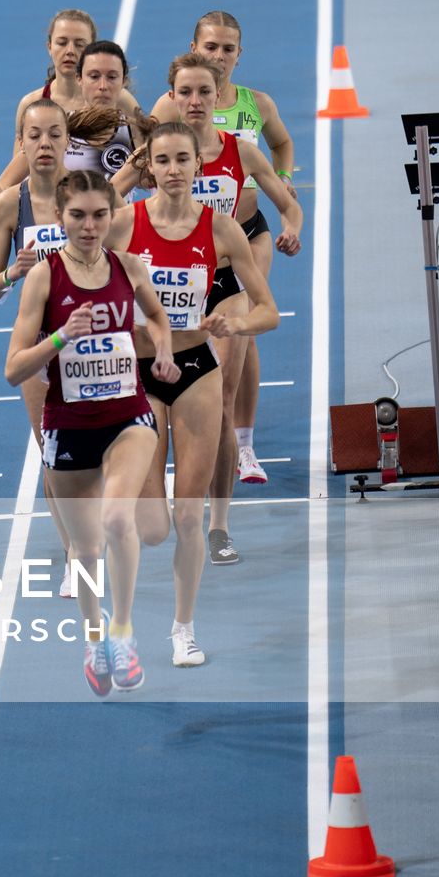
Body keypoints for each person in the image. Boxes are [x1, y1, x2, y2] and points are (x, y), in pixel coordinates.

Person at [5, 169, 179, 696]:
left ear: (111, 215)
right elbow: (13, 369)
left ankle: (123, 633)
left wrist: (163, 350)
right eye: (78, 216)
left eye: (99, 215)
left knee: (118, 517)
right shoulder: (43, 277)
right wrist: (60, 337)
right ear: (60, 217)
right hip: (68, 423)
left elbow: (158, 317)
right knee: (84, 551)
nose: (89, 226)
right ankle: (95, 636)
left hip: (128, 417)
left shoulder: (129, 266)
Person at [123, 120, 279, 652]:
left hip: (196, 370)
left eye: (182, 160)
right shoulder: (123, 224)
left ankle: (183, 630)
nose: (173, 170)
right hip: (140, 374)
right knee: (153, 528)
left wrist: (236, 323)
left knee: (188, 516)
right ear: (150, 167)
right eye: (162, 160)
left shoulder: (222, 230)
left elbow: (268, 311)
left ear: (198, 165)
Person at [0, 96, 135, 599]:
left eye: (54, 135)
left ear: (69, 142)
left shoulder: (92, 194)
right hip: (43, 348)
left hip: (96, 344)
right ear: (21, 143)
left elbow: (127, 253)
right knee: (55, 459)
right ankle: (75, 553)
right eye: (34, 136)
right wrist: (13, 272)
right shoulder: (10, 204)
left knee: (104, 451)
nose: (44, 144)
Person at [155, 53, 302, 565]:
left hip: (225, 282)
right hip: (171, 289)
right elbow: (104, 200)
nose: (195, 101)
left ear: (219, 96)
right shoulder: (158, 152)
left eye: (204, 92)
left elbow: (289, 203)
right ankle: (169, 502)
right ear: (172, 97)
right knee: (159, 409)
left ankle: (217, 526)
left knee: (219, 402)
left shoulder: (240, 151)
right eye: (185, 92)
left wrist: (292, 229)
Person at [0, 39, 141, 190]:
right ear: (79, 79)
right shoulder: (57, 128)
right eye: (94, 76)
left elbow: (149, 182)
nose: (103, 86)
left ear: (123, 81)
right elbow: (2, 188)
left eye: (112, 77)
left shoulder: (132, 129)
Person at [8, 7, 98, 159]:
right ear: (49, 47)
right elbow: (19, 167)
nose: (70, 51)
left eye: (79, 44)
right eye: (62, 43)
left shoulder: (117, 100)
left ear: (92, 50)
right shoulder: (31, 105)